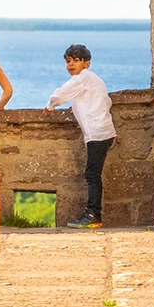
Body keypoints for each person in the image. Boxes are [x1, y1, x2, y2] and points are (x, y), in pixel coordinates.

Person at [43, 43, 116, 229]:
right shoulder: (92, 79)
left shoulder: (82, 78)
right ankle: (93, 214)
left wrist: (50, 105)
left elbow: (62, 93)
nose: (71, 64)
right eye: (68, 61)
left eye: (76, 60)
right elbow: (101, 101)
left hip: (98, 134)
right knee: (93, 174)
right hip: (103, 132)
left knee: (92, 175)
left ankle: (93, 215)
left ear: (86, 63)